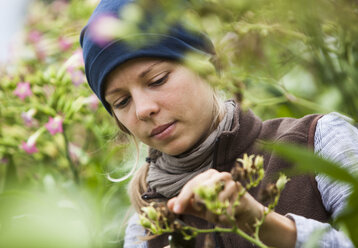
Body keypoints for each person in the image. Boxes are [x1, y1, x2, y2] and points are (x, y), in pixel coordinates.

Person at [80, 0, 358, 247]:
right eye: (121, 102)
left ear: (208, 66)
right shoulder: (146, 226)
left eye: (157, 80)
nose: (143, 110)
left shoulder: (319, 142)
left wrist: (263, 224)